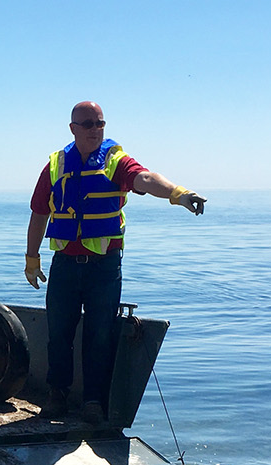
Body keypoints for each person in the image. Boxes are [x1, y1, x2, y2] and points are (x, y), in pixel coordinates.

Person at [25, 101, 206, 424]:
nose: (96, 130)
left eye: (100, 123)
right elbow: (39, 213)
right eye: (88, 124)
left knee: (100, 335)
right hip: (64, 265)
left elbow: (146, 179)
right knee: (59, 333)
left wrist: (178, 193)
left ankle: (94, 401)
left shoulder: (114, 160)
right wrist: (32, 257)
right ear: (73, 129)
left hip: (103, 268)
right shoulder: (55, 165)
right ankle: (57, 395)